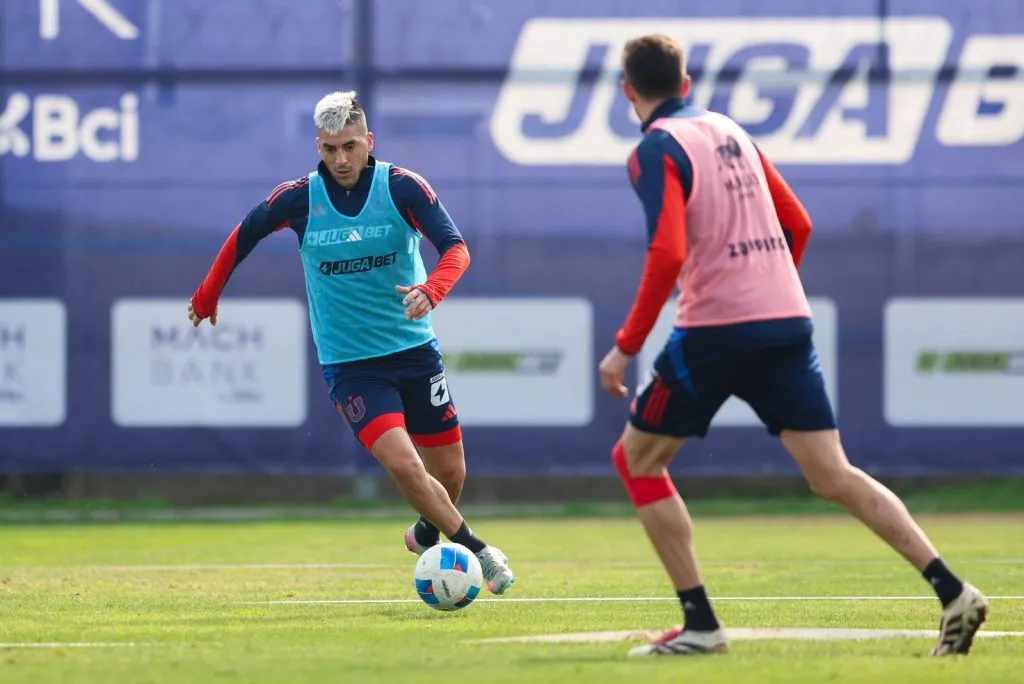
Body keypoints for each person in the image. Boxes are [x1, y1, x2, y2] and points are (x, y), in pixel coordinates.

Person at [598, 34, 987, 657]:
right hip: (784, 320)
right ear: (687, 83)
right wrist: (768, 289)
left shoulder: (655, 148)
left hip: (716, 328)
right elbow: (797, 223)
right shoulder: (732, 131)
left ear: (628, 92)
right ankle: (951, 589)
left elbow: (668, 252)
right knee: (833, 474)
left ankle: (701, 624)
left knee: (636, 460)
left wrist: (626, 346)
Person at [186, 90, 515, 595]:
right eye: (330, 149)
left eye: (350, 147)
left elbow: (456, 249)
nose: (341, 159)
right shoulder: (298, 199)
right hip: (352, 366)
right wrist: (207, 295)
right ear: (318, 146)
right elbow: (242, 235)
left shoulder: (402, 188)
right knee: (406, 467)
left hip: (414, 352)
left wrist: (432, 289)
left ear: (369, 143)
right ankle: (479, 552)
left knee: (450, 473)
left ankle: (427, 531)